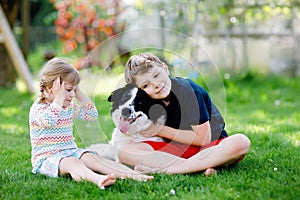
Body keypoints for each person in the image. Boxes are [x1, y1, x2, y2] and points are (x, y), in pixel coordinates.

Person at [29, 58, 153, 189]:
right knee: (73, 163)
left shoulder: (68, 106)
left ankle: (132, 174)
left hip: (70, 150)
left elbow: (91, 114)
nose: (72, 95)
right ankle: (97, 179)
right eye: (68, 90)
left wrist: (78, 93)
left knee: (92, 158)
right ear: (50, 88)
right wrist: (59, 98)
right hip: (47, 158)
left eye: (74, 90)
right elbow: (49, 121)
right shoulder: (39, 108)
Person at [118, 52, 251, 175]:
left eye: (157, 75)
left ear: (165, 69)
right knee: (124, 151)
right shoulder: (145, 98)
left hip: (210, 146)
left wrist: (160, 130)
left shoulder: (188, 90)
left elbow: (203, 139)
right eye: (146, 85)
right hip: (176, 150)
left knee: (241, 142)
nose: (156, 85)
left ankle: (169, 170)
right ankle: (201, 166)